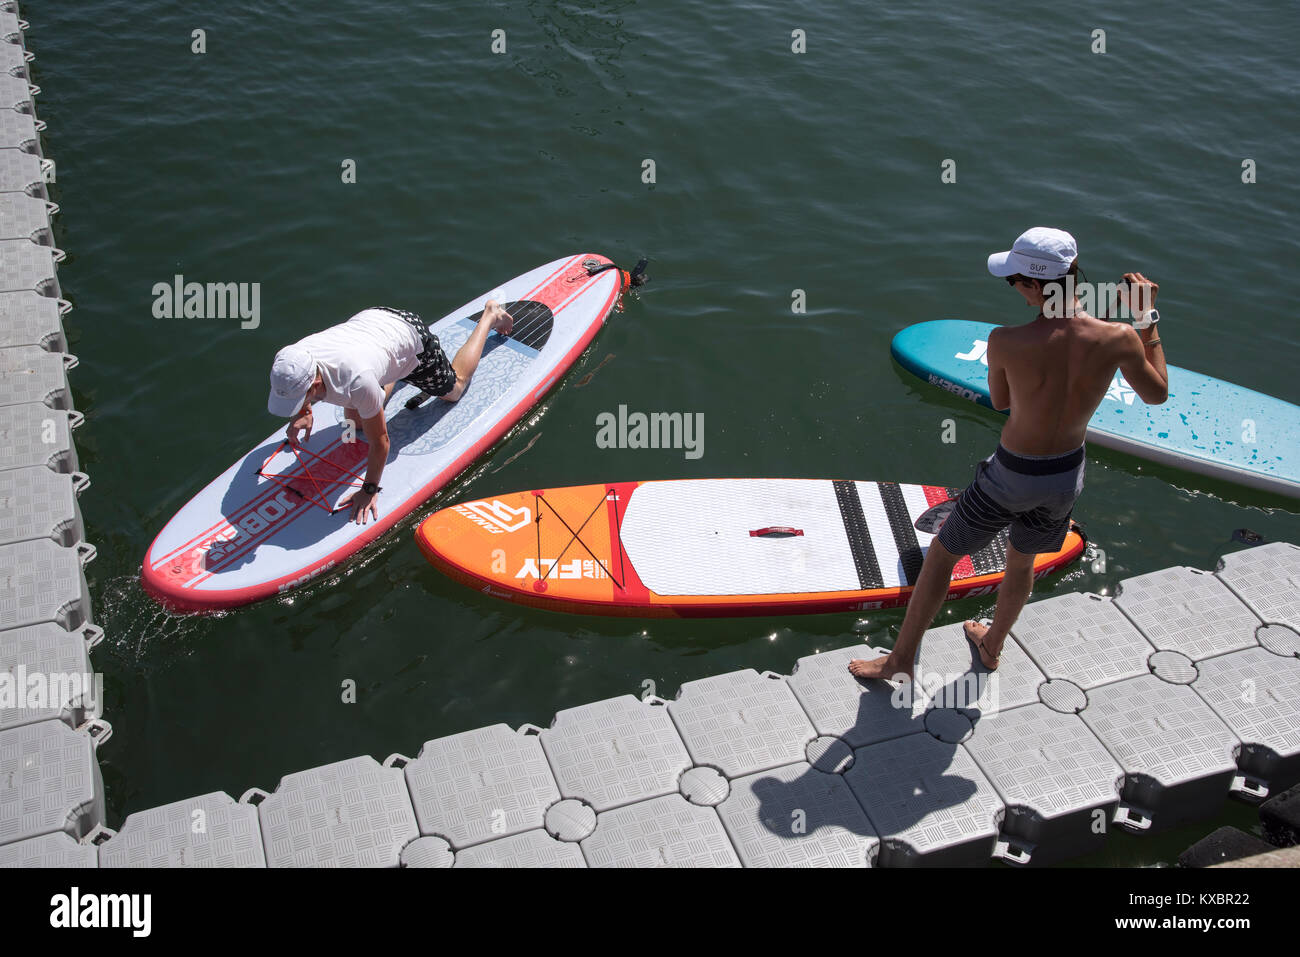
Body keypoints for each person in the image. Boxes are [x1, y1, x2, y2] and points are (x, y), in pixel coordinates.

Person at [849, 227, 1168, 682]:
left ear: (1036, 286)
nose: (1015, 290)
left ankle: (900, 660)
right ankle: (992, 645)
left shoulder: (1005, 340)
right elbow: (1156, 394)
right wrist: (1147, 320)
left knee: (942, 555)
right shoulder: (1118, 336)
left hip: (1011, 475)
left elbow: (1000, 401)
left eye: (1014, 281)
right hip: (1065, 476)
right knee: (1021, 560)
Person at [266, 301, 514, 525]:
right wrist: (304, 410)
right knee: (357, 424)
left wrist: (369, 490)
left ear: (315, 385)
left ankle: (490, 316)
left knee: (454, 391)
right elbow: (297, 385)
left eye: (303, 398)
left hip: (410, 338)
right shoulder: (293, 358)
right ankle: (394, 372)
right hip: (370, 325)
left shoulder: (357, 381)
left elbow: (381, 442)